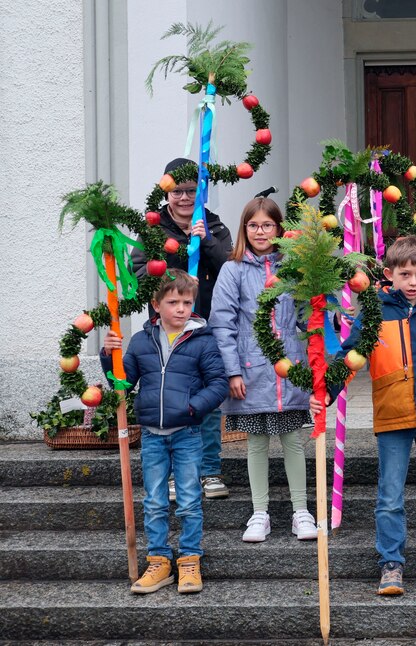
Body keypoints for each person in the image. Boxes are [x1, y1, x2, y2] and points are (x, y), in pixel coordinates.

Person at [311, 237, 416, 597]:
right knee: (389, 496)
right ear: (389, 275)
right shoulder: (375, 313)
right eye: (405, 274)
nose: (412, 281)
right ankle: (391, 564)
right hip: (393, 417)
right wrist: (326, 393)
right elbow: (351, 357)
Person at [101, 271, 228, 595]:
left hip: (187, 434)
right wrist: (108, 356)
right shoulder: (142, 341)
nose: (182, 308)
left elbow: (218, 384)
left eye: (187, 302)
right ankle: (159, 561)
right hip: (153, 436)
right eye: (173, 302)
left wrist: (191, 407)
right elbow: (124, 380)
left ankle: (189, 560)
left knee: (188, 500)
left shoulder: (202, 340)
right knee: (155, 500)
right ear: (156, 305)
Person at [209, 195, 318, 543]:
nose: (260, 231)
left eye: (267, 225)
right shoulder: (234, 269)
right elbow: (222, 324)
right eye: (253, 225)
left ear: (278, 228)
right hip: (250, 368)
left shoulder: (292, 268)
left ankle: (300, 510)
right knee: (256, 442)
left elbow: (305, 319)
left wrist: (325, 309)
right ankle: (260, 512)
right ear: (244, 229)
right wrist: (232, 371)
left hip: (289, 368)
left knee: (292, 440)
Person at [132, 158, 234, 500]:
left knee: (207, 400)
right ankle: (176, 474)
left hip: (204, 329)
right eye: (178, 191)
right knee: (172, 399)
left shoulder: (215, 226)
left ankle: (209, 471)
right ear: (167, 192)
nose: (185, 197)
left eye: (192, 190)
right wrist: (174, 259)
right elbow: (139, 274)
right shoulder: (152, 228)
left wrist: (203, 241)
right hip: (166, 330)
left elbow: (229, 266)